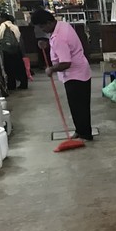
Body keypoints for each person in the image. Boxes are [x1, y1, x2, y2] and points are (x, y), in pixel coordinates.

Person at [30, 9, 93, 141]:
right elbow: (61, 46)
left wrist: (51, 69)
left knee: (78, 106)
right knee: (78, 106)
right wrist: (47, 45)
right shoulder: (62, 25)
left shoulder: (59, 37)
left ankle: (85, 134)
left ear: (48, 22)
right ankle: (80, 130)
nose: (42, 30)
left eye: (42, 27)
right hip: (80, 71)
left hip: (75, 75)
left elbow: (66, 63)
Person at [0, 13, 28, 91]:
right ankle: (24, 83)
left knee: (9, 68)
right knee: (19, 67)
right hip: (17, 50)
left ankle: (12, 85)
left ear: (3, 18)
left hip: (7, 51)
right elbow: (18, 38)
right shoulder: (15, 26)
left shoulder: (3, 25)